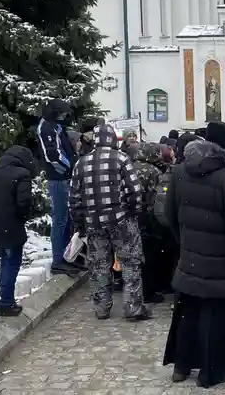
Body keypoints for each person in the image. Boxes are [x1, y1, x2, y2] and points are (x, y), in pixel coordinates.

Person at [164, 122, 225, 388]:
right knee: (215, 315)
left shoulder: (180, 171)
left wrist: (185, 241)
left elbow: (169, 214)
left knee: (187, 311)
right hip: (220, 258)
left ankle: (181, 366)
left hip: (190, 254)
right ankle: (211, 371)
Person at [69, 125, 149, 321]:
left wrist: (80, 223)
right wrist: (134, 212)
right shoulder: (121, 159)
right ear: (113, 139)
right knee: (130, 262)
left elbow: (74, 199)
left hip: (94, 222)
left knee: (99, 265)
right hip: (121, 219)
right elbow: (135, 191)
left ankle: (102, 308)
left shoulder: (81, 163)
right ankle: (133, 307)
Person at [0, 147, 36, 316]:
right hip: (12, 227)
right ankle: (5, 302)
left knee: (5, 261)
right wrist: (23, 218)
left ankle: (5, 299)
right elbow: (24, 204)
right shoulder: (22, 174)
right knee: (11, 264)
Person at [36, 99, 78, 275]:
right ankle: (58, 260)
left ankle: (66, 257)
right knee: (60, 219)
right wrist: (69, 166)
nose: (64, 116)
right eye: (63, 113)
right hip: (58, 178)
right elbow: (52, 155)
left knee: (66, 219)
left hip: (63, 177)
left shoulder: (55, 126)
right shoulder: (47, 127)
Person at [130, 143, 166, 304]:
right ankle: (148, 291)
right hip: (148, 218)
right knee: (149, 255)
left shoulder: (129, 167)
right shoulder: (154, 172)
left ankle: (133, 289)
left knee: (132, 256)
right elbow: (158, 198)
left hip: (130, 217)